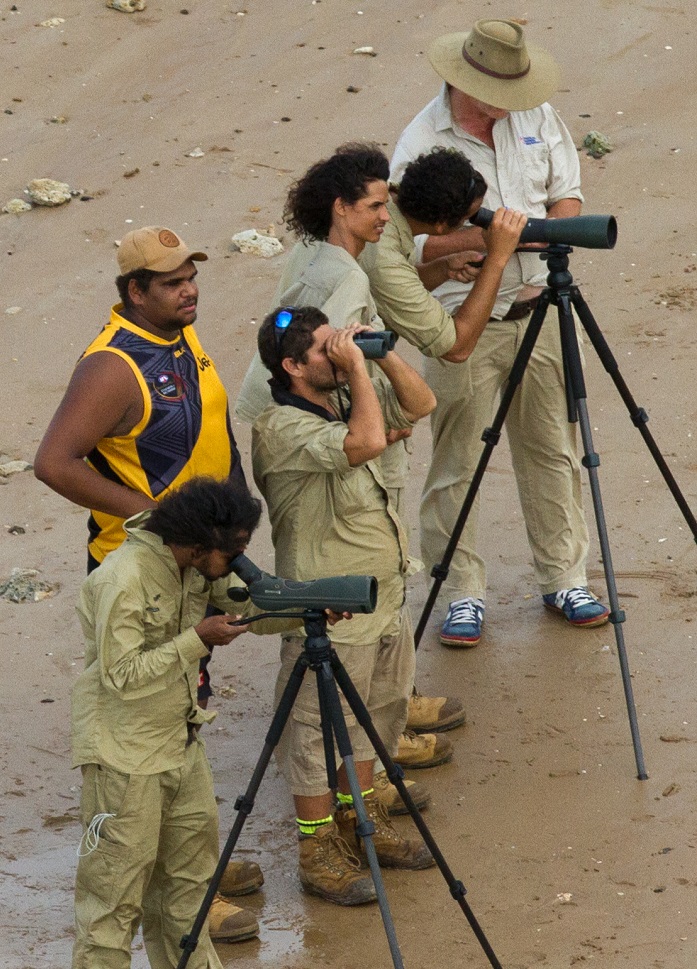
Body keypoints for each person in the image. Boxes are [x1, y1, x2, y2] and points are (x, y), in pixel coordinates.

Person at [33, 226, 259, 938]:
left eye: (191, 275)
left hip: (199, 558)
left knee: (184, 710)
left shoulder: (179, 335)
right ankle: (175, 885)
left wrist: (234, 531)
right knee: (148, 723)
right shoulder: (111, 366)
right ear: (134, 292)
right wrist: (161, 518)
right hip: (144, 569)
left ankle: (186, 862)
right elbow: (54, 462)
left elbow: (213, 437)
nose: (188, 288)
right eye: (170, 282)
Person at [372, 21, 611, 647]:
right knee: (457, 459)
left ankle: (565, 576)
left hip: (541, 305)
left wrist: (544, 232)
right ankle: (461, 594)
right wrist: (490, 240)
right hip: (462, 316)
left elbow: (568, 198)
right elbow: (409, 237)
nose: (511, 96)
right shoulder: (422, 140)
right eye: (497, 86)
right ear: (463, 81)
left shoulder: (539, 115)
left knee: (552, 448)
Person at [234, 144, 466, 787]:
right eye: (373, 206)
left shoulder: (315, 255)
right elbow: (324, 367)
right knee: (364, 548)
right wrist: (367, 401)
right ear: (340, 207)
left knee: (377, 562)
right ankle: (370, 721)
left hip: (287, 418)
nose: (384, 216)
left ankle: (388, 704)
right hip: (320, 433)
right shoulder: (352, 281)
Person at [252, 306, 437, 905]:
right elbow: (365, 441)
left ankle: (362, 825)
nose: (338, 355)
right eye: (324, 351)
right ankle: (317, 848)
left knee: (380, 711)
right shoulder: (278, 426)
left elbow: (422, 402)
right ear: (292, 367)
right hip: (328, 608)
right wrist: (355, 367)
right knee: (312, 731)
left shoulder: (350, 395)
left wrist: (376, 352)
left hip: (383, 598)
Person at [71, 477, 268, 967]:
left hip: (180, 747)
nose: (238, 562)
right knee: (112, 908)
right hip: (124, 759)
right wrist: (198, 638)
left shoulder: (198, 566)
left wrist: (312, 607)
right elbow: (121, 674)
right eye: (234, 552)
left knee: (188, 897)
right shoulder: (124, 578)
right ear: (199, 543)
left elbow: (252, 606)